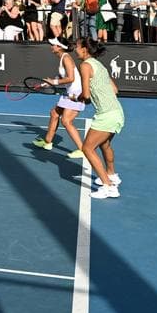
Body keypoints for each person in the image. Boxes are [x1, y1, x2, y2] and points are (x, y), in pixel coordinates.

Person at [74, 37, 125, 199]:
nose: (75, 49)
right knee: (105, 144)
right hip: (117, 112)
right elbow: (115, 90)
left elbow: (86, 95)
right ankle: (111, 175)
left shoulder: (85, 65)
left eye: (77, 46)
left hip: (106, 115)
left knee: (87, 148)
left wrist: (76, 98)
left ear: (84, 49)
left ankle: (108, 187)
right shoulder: (100, 66)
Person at [33, 37, 86, 158]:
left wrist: (54, 82)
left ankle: (82, 149)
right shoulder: (62, 57)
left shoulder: (66, 58)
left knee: (66, 121)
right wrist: (48, 82)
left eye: (53, 45)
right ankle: (47, 142)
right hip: (69, 91)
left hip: (76, 92)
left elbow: (71, 78)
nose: (51, 46)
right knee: (54, 113)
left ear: (59, 47)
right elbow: (63, 75)